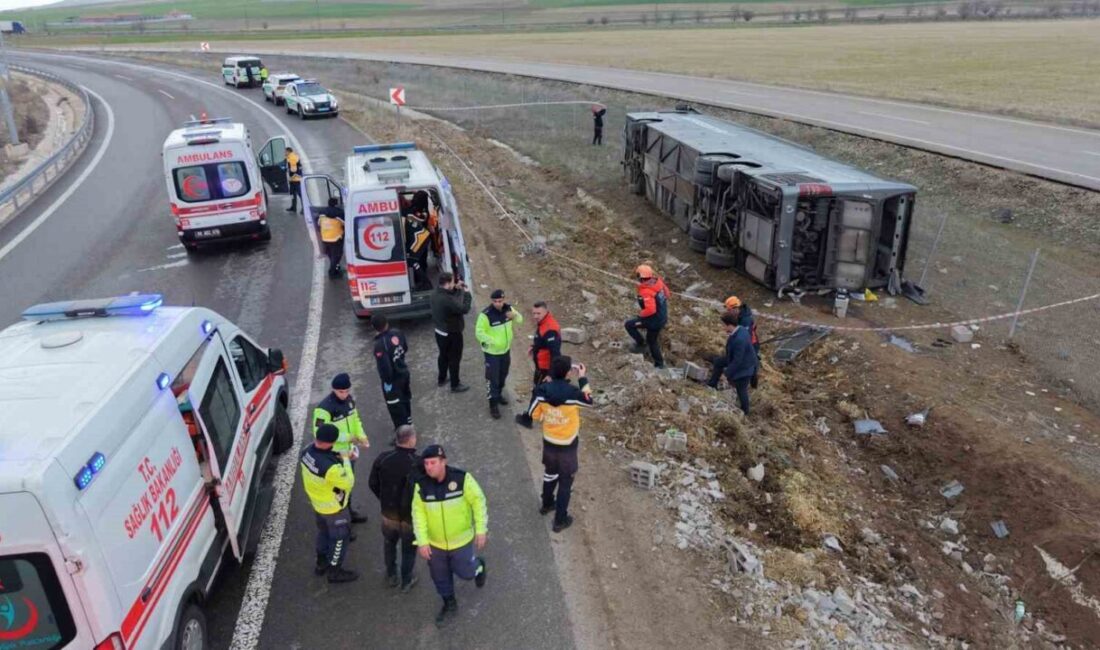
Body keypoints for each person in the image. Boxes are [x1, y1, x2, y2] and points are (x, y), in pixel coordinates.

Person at [411, 444, 488, 627]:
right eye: (426, 463)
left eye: (433, 463)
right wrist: (422, 541)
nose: (429, 467)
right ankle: (449, 604)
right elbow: (418, 514)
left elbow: (478, 502)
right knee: (440, 577)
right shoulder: (421, 486)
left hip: (461, 542)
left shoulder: (462, 480)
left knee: (467, 573)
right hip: (435, 545)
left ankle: (479, 566)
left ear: (443, 461)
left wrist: (481, 530)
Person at [515, 355, 592, 533]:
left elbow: (532, 414)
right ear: (567, 373)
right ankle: (560, 520)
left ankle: (547, 504)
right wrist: (582, 378)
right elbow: (589, 401)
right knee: (566, 482)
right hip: (568, 445)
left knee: (550, 474)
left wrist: (546, 416)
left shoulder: (542, 391)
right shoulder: (573, 393)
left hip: (549, 443)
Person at [300, 423, 358, 583]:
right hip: (334, 509)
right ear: (331, 442)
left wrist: (336, 455)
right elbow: (348, 482)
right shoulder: (331, 468)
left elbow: (322, 458)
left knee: (323, 534)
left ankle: (321, 563)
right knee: (340, 539)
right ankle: (335, 571)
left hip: (318, 505)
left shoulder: (306, 452)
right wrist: (345, 459)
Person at [368, 424, 421, 592]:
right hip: (410, 517)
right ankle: (406, 580)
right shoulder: (418, 464)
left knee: (389, 543)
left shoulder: (383, 458)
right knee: (408, 550)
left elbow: (373, 483)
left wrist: (384, 499)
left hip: (389, 514)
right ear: (411, 439)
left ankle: (391, 575)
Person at [313, 373, 369, 523]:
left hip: (348, 453)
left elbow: (355, 420)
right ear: (333, 390)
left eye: (347, 391)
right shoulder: (324, 409)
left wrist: (361, 436)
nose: (344, 395)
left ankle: (349, 513)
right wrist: (348, 438)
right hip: (334, 455)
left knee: (348, 485)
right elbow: (319, 433)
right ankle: (341, 520)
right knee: (338, 489)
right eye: (341, 392)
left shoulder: (349, 401)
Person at [476, 289, 524, 419]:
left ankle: (499, 393)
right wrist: (493, 342)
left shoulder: (509, 309)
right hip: (492, 353)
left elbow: (520, 320)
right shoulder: (485, 315)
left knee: (503, 374)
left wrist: (514, 316)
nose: (498, 303)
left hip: (505, 351)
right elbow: (479, 332)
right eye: (495, 301)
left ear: (504, 300)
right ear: (492, 301)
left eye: (500, 301)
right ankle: (493, 405)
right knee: (492, 378)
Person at [430, 272, 472, 393]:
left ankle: (441, 378)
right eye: (453, 282)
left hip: (439, 331)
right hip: (452, 333)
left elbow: (450, 297)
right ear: (447, 283)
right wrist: (467, 293)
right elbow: (463, 308)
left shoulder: (434, 294)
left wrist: (456, 289)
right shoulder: (447, 300)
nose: (454, 283)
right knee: (454, 358)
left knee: (443, 355)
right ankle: (455, 384)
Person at [708, 295, 761, 388]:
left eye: (729, 310)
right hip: (745, 345)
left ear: (735, 308)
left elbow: (744, 338)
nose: (728, 312)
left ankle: (750, 382)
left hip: (751, 345)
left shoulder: (745, 320)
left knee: (747, 363)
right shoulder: (739, 315)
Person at [624, 264, 670, 368]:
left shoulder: (646, 291)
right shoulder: (658, 283)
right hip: (662, 316)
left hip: (653, 320)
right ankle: (659, 364)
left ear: (640, 277)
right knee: (652, 339)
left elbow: (650, 310)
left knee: (629, 325)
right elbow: (667, 294)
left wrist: (641, 315)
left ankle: (641, 345)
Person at [372, 314, 412, 430]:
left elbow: (385, 368)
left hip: (393, 381)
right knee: (405, 399)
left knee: (395, 406)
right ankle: (409, 422)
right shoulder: (397, 333)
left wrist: (387, 382)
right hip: (404, 373)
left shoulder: (379, 345)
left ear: (374, 327)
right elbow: (405, 348)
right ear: (387, 323)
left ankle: (403, 433)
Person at [718, 311, 758, 415]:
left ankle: (745, 412)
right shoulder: (740, 330)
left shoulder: (739, 339)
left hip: (745, 368)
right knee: (741, 389)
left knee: (742, 390)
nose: (723, 327)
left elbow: (737, 361)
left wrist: (726, 374)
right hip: (747, 363)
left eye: (724, 325)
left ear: (729, 325)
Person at [529, 301, 562, 388]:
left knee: (540, 395)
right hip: (540, 367)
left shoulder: (550, 329)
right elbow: (543, 341)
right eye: (534, 313)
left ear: (546, 311)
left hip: (545, 370)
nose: (535, 316)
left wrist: (551, 374)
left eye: (538, 313)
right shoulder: (543, 322)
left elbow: (555, 353)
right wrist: (534, 347)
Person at [405, 205, 432, 290]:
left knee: (412, 260)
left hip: (420, 237)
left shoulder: (404, 215)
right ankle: (423, 281)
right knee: (413, 260)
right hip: (421, 236)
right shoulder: (406, 214)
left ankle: (426, 283)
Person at [316, 197, 345, 278]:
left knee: (331, 256)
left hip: (325, 238)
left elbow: (318, 224)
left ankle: (336, 268)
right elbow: (345, 223)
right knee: (337, 256)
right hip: (336, 238)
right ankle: (332, 273)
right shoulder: (339, 212)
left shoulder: (321, 212)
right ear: (336, 204)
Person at [285, 147, 303, 213]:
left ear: (288, 151)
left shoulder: (292, 158)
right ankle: (293, 207)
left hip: (295, 180)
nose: (285, 153)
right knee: (292, 194)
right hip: (294, 180)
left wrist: (291, 178)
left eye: (285, 152)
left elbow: (294, 170)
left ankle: (304, 208)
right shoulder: (292, 156)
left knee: (300, 194)